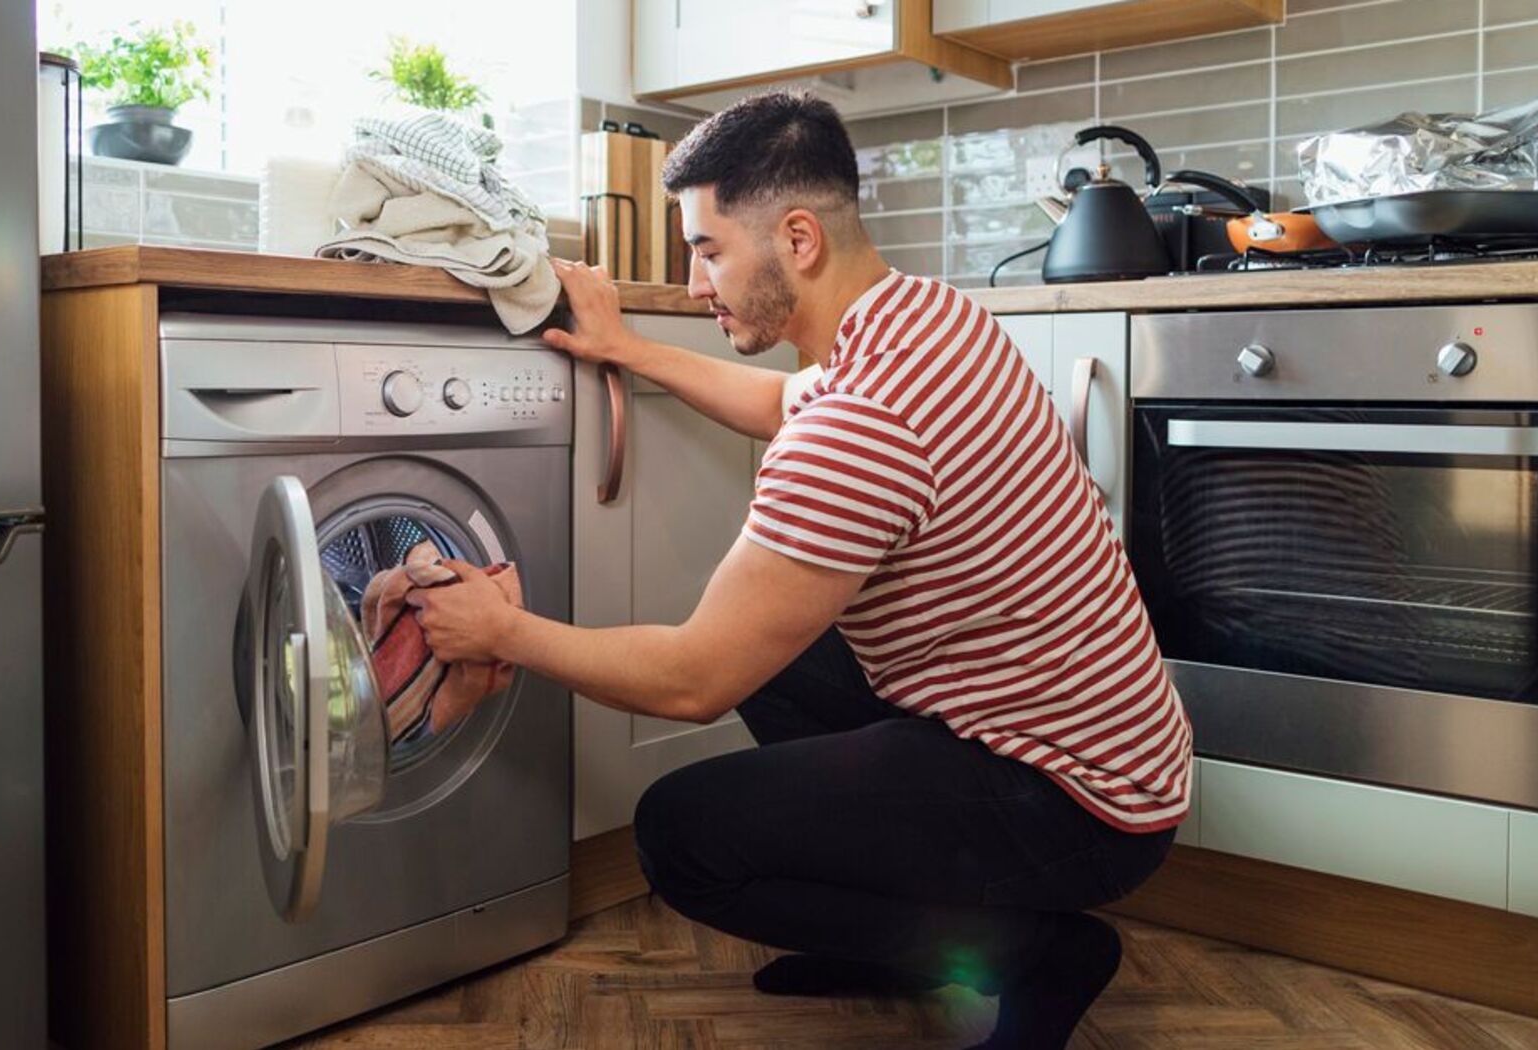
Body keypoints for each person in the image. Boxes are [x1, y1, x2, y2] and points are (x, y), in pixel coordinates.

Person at [404, 90, 1191, 1050]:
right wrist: (629, 347)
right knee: (785, 654)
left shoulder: (863, 426)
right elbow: (784, 398)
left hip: (1075, 802)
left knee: (684, 838)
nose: (698, 283)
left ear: (799, 238)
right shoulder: (923, 318)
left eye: (708, 249)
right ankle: (898, 941)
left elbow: (696, 679)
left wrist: (502, 632)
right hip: (1101, 744)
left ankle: (1032, 952)